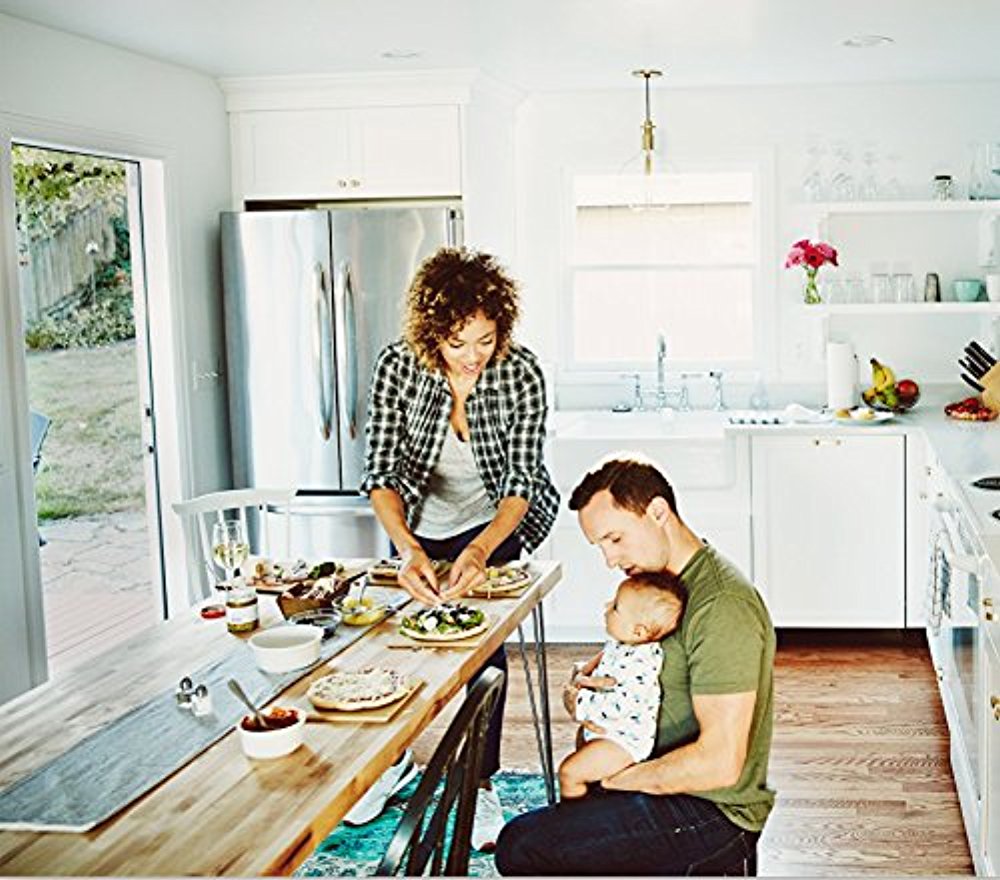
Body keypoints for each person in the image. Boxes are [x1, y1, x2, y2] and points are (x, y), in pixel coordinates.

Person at [355, 246, 560, 850]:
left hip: (494, 521)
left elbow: (521, 482)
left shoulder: (520, 373)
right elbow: (380, 472)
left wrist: (480, 552)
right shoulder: (398, 366)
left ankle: (482, 782)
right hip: (416, 522)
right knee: (401, 641)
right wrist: (407, 549)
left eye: (485, 340)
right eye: (457, 342)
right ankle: (393, 763)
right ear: (431, 333)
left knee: (484, 650)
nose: (473, 356)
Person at [495, 454, 775, 876]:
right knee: (553, 825)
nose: (609, 559)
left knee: (521, 846)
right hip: (659, 777)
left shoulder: (722, 606)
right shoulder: (658, 590)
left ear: (658, 512)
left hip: (713, 813)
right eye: (600, 546)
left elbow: (721, 762)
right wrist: (586, 696)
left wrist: (612, 781)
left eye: (615, 539)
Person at [559, 571, 686, 800]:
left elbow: (620, 706)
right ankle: (590, 800)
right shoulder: (622, 642)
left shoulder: (642, 664)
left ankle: (573, 815)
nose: (607, 606)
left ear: (639, 630)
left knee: (570, 772)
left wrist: (580, 702)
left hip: (623, 741)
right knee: (582, 745)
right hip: (608, 730)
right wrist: (583, 673)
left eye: (616, 607)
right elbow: (602, 663)